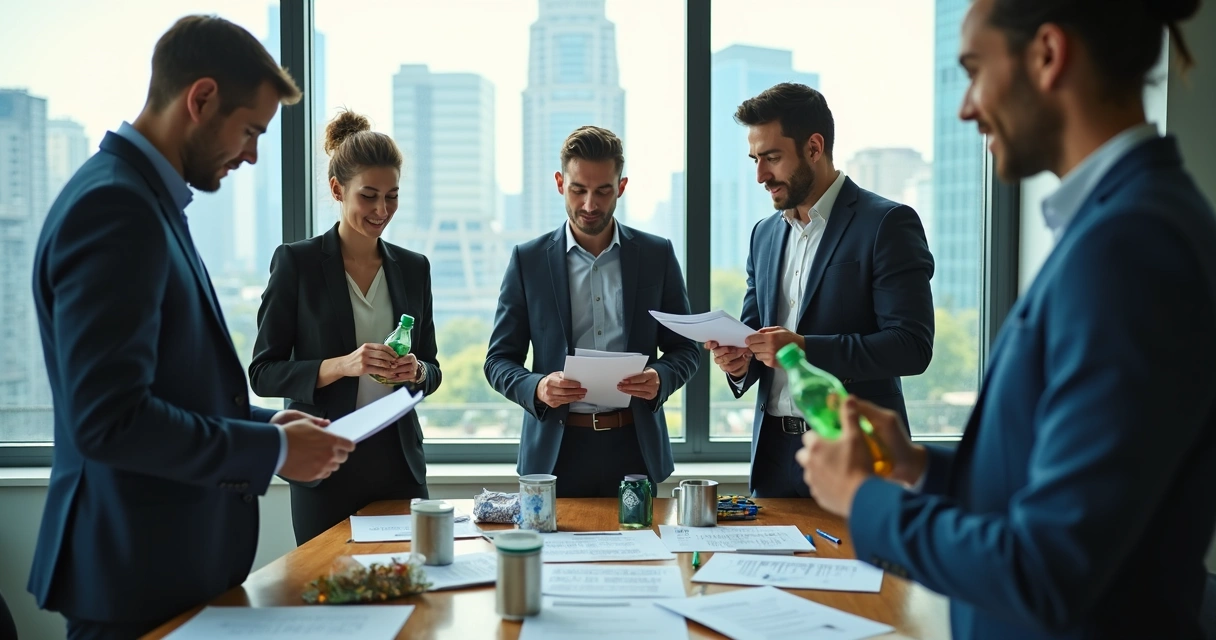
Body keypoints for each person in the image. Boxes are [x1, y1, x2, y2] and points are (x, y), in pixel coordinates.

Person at [796, 1, 1216, 638]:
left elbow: (1046, 569)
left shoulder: (1129, 246)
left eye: (974, 69)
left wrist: (861, 498)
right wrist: (913, 466)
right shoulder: (1115, 224)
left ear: (1047, 55)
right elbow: (1048, 489)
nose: (966, 106)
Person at [26, 15, 355, 639]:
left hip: (158, 568)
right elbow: (111, 420)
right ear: (201, 99)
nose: (254, 154)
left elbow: (169, 391)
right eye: (251, 130)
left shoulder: (145, 201)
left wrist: (266, 423)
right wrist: (276, 450)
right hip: (133, 574)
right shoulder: (115, 207)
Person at [705, 83, 935, 498]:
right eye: (755, 160)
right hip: (775, 455)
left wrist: (803, 349)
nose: (760, 175)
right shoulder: (764, 235)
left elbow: (911, 346)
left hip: (856, 453)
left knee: (857, 563)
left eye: (772, 158)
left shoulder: (887, 224)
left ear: (814, 147)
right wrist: (739, 363)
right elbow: (756, 336)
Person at [249, 110, 441, 545]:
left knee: (412, 589)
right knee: (327, 592)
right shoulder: (296, 264)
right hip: (325, 466)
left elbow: (432, 369)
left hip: (399, 467)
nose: (381, 210)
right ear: (338, 189)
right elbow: (263, 373)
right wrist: (341, 365)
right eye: (368, 196)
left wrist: (416, 372)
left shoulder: (414, 268)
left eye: (391, 196)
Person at [485, 126, 699, 497]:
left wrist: (660, 378)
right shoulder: (528, 260)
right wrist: (537, 387)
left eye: (603, 191)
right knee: (555, 556)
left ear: (622, 185)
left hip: (636, 446)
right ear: (559, 183)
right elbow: (498, 361)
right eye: (578, 190)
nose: (589, 205)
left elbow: (686, 350)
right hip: (556, 451)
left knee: (642, 554)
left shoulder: (655, 255)